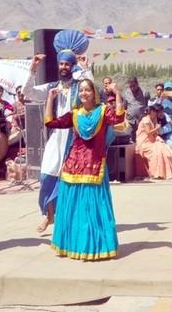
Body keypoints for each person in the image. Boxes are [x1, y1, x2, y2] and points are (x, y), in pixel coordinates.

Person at [44, 79, 125, 260]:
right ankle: (73, 245)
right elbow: (50, 122)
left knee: (93, 210)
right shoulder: (74, 114)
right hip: (73, 166)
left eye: (87, 90)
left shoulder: (103, 111)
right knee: (73, 210)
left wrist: (117, 92)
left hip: (94, 167)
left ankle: (95, 247)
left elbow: (119, 117)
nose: (84, 93)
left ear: (94, 93)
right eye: (81, 91)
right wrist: (50, 99)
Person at [23, 29, 92, 233]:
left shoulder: (80, 87)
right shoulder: (52, 87)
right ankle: (48, 216)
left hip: (75, 139)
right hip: (56, 139)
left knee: (69, 180)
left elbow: (92, 90)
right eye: (61, 64)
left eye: (68, 64)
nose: (64, 67)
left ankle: (66, 219)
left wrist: (85, 68)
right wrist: (32, 70)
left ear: (72, 66)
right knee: (47, 175)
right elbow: (28, 93)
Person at [135, 104, 172, 179]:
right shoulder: (146, 120)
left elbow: (156, 132)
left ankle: (166, 170)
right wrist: (157, 128)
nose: (156, 114)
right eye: (155, 112)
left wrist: (157, 129)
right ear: (152, 112)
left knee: (162, 147)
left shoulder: (153, 120)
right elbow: (148, 132)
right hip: (144, 143)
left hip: (151, 141)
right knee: (159, 150)